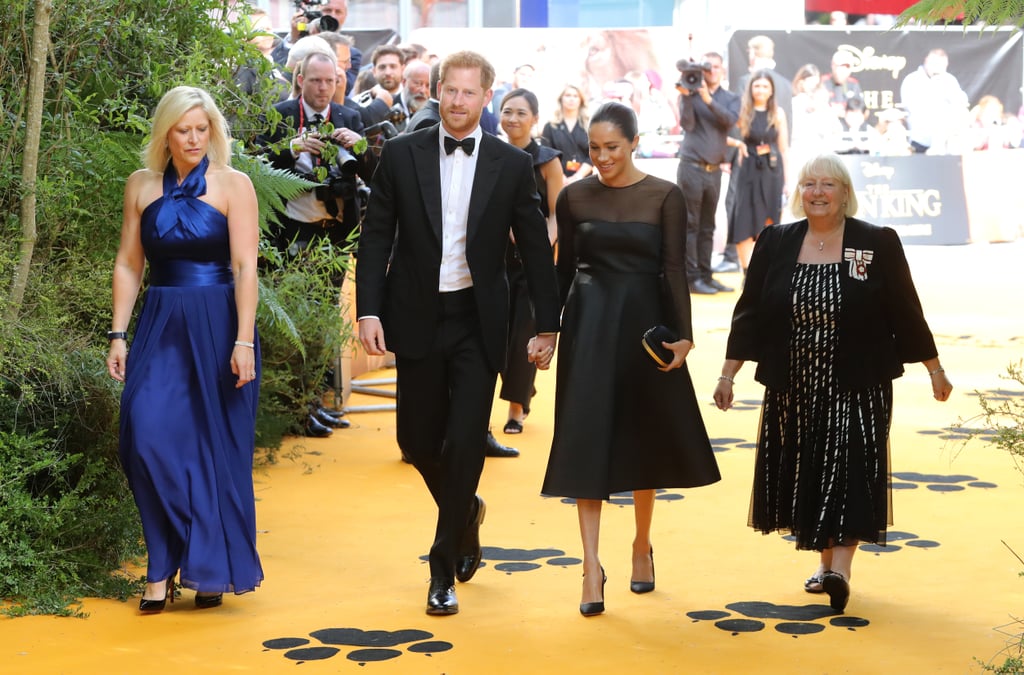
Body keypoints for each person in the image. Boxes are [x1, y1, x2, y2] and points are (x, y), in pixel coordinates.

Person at [355, 50, 561, 616]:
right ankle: (465, 509)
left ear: (485, 98)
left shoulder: (511, 165)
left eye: (469, 93)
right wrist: (367, 310)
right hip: (416, 314)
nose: (456, 102)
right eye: (450, 90)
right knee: (419, 442)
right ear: (438, 90)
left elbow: (535, 250)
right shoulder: (400, 154)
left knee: (466, 439)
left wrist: (549, 324)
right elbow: (376, 237)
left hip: (478, 319)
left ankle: (441, 567)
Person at [712, 153, 954, 613]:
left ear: (845, 193)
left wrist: (933, 368)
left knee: (851, 468)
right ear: (799, 193)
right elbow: (750, 312)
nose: (817, 192)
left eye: (827, 184)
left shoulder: (874, 242)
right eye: (809, 184)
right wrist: (729, 373)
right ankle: (826, 566)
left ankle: (840, 567)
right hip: (795, 384)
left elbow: (905, 308)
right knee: (812, 469)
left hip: (858, 382)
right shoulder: (776, 241)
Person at [542, 102, 721, 617]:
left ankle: (641, 544)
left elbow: (672, 269)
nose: (602, 157)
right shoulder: (574, 196)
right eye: (594, 149)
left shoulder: (664, 194)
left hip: (643, 325)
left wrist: (684, 336)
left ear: (634, 142)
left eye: (612, 148)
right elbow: (563, 270)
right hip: (589, 324)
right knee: (585, 437)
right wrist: (547, 329)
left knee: (642, 437)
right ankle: (590, 567)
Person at [106, 86, 263, 612]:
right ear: (165, 133)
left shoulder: (233, 185)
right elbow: (130, 264)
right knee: (142, 434)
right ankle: (162, 560)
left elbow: (245, 267)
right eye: (183, 129)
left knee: (214, 448)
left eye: (202, 128)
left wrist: (244, 339)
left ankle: (206, 567)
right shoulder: (140, 185)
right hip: (161, 321)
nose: (194, 138)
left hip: (219, 323)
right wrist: (118, 334)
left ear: (213, 130)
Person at [497, 88, 563, 435]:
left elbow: (556, 213)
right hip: (495, 260)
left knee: (524, 331)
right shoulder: (493, 154)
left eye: (521, 113)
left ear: (535, 118)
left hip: (532, 262)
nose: (513, 119)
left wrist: (541, 243)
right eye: (507, 112)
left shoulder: (548, 159)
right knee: (500, 334)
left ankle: (515, 410)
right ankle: (523, 390)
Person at [675, 51, 740, 295]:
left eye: (715, 66)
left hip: (714, 170)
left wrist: (708, 99)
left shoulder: (730, 98)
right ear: (701, 70)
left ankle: (706, 274)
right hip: (691, 166)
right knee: (690, 224)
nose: (711, 70)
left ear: (722, 70)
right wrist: (691, 97)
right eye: (707, 67)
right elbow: (687, 124)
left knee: (707, 226)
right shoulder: (690, 91)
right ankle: (692, 278)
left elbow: (730, 120)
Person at [728, 70, 789, 273]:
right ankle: (747, 273)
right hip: (748, 171)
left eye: (765, 86)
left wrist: (787, 181)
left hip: (772, 172)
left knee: (770, 221)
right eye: (757, 86)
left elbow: (784, 148)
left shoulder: (778, 113)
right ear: (750, 89)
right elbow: (722, 134)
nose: (760, 90)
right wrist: (737, 145)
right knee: (743, 220)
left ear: (771, 90)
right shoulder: (742, 111)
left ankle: (766, 272)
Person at [899, 48, 969, 154]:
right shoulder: (912, 80)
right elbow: (911, 108)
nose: (937, 69)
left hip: (946, 143)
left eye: (942, 66)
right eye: (934, 64)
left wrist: (948, 92)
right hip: (920, 141)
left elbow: (963, 102)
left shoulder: (950, 80)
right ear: (926, 61)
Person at [541, 84, 594, 183]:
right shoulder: (550, 126)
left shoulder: (590, 126)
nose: (571, 99)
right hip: (556, 179)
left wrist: (578, 176)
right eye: (568, 95)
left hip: (584, 179)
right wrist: (561, 177)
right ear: (561, 99)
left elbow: (593, 154)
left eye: (575, 96)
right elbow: (546, 154)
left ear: (581, 100)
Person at [821, 50, 864, 119]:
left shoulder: (853, 84)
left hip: (847, 126)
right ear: (833, 65)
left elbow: (862, 110)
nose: (843, 70)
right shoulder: (822, 82)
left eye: (848, 67)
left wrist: (848, 114)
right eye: (840, 66)